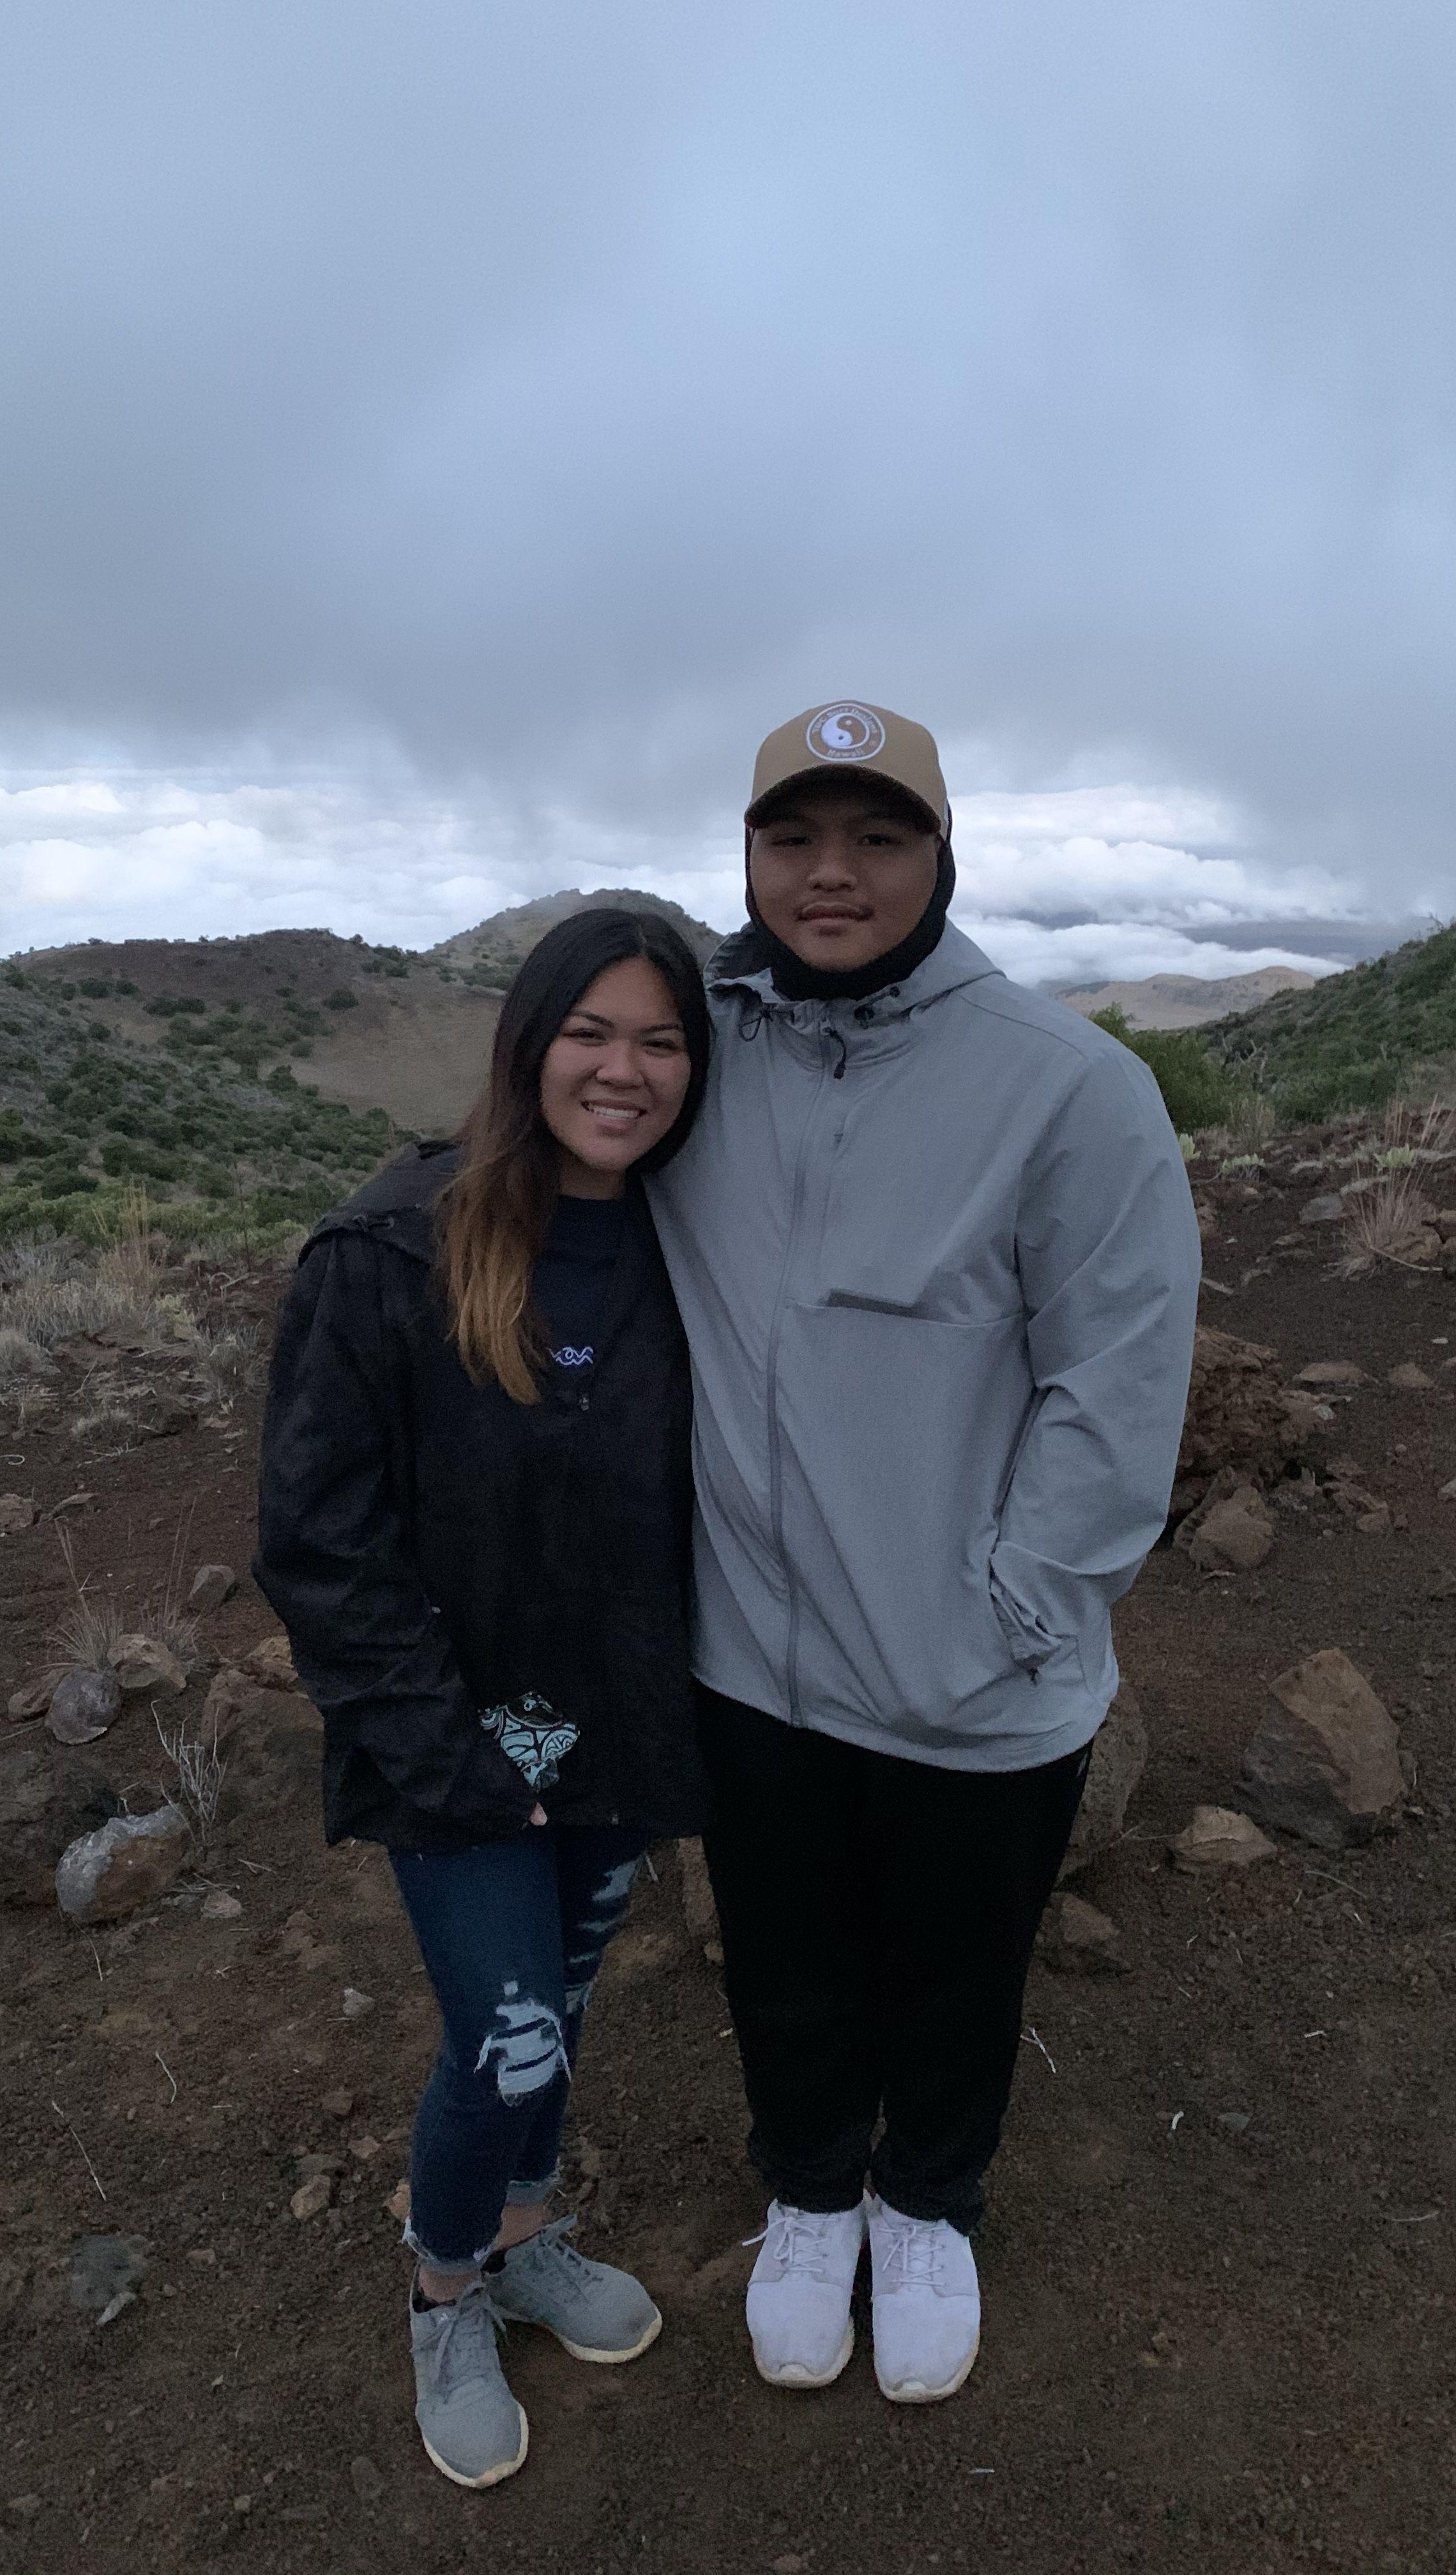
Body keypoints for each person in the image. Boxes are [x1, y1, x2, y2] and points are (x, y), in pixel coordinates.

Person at [646, 701, 1199, 2405]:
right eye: (794, 838)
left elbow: (1116, 1391)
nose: (832, 874)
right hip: (749, 1659)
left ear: (940, 859)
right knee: (786, 1952)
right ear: (745, 858)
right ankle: (812, 2189)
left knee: (959, 1967)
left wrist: (1008, 1620)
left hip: (974, 1670)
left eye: (877, 839)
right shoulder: (688, 1054)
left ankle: (928, 2195)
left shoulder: (1066, 1088)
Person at [252, 907, 713, 2489]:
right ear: (528, 1042)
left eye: (662, 1040)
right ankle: (445, 2289)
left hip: (627, 1719)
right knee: (505, 2035)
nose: (626, 1069)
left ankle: (524, 2235)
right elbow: (319, 1543)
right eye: (594, 1031)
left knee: (562, 2012)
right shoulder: (387, 1253)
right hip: (454, 1740)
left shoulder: (691, 1249)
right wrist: (445, 1750)